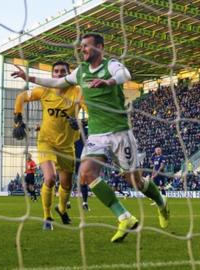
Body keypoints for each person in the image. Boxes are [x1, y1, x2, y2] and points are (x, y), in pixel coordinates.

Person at [12, 33, 169, 242]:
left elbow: (126, 74)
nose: (82, 49)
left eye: (86, 46)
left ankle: (161, 201)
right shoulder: (81, 72)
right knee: (85, 174)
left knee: (135, 181)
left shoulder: (111, 65)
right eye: (81, 46)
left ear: (100, 47)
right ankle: (125, 218)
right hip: (97, 135)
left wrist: (108, 82)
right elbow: (57, 81)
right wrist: (29, 78)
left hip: (120, 132)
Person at [12, 61, 84, 230]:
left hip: (67, 145)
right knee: (50, 178)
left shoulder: (78, 92)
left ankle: (62, 209)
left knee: (66, 184)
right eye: (56, 71)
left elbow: (92, 113)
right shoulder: (44, 90)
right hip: (46, 142)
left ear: (69, 74)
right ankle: (47, 217)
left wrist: (80, 122)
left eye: (62, 71)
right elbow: (21, 97)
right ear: (52, 75)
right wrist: (17, 119)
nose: (59, 74)